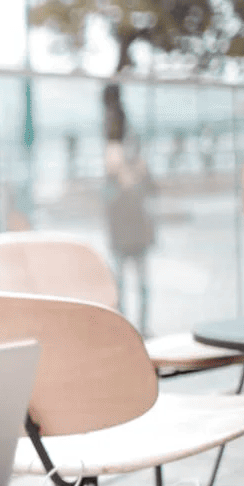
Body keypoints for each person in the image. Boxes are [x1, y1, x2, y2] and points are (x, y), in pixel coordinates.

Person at [103, 137, 156, 337]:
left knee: (142, 287)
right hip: (121, 241)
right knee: (120, 288)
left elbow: (151, 194)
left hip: (138, 240)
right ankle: (123, 329)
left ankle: (143, 327)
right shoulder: (112, 178)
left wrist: (139, 177)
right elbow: (109, 207)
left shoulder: (139, 174)